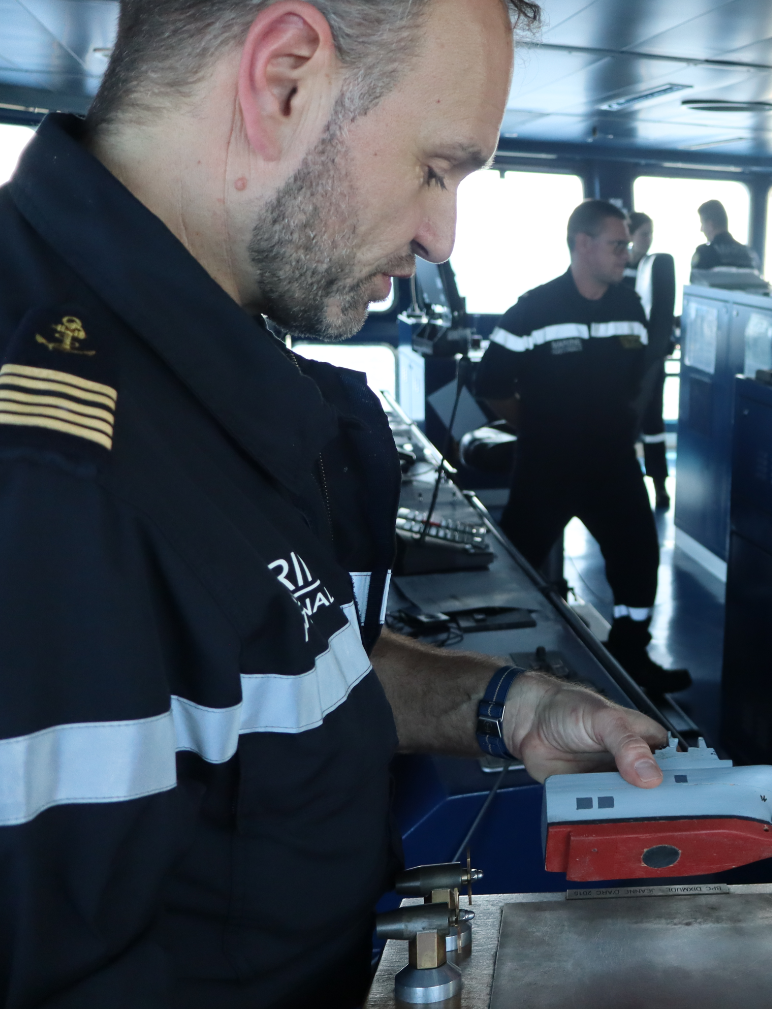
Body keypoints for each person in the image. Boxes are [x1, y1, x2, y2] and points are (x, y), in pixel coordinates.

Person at [0, 2, 672, 1006]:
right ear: (284, 80)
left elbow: (271, 667)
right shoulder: (46, 467)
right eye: (435, 168)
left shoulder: (205, 370)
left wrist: (508, 705)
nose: (440, 237)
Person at [474, 200, 690, 694]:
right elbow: (491, 384)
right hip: (547, 465)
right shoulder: (533, 309)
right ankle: (495, 668)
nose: (626, 255)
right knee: (517, 565)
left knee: (638, 557)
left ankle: (631, 653)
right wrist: (539, 427)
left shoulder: (629, 307)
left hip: (612, 464)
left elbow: (637, 379)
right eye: (617, 245)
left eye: (627, 246)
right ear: (582, 244)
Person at [623, 211, 677, 509]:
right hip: (624, 359)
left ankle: (659, 484)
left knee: (654, 422)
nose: (649, 239)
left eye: (651, 234)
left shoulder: (653, 269)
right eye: (644, 234)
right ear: (630, 236)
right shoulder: (619, 271)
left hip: (650, 359)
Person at [692, 199, 758, 273]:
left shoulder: (704, 253)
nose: (701, 229)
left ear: (710, 225)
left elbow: (697, 278)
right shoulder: (749, 254)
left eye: (702, 224)